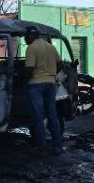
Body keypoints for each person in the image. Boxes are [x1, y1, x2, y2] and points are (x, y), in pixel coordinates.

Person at [24, 26, 64, 154]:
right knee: (52, 115)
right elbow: (60, 64)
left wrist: (23, 81)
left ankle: (41, 146)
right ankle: (58, 146)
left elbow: (29, 69)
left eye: (26, 36)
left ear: (31, 36)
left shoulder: (31, 48)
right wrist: (51, 74)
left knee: (38, 116)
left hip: (36, 84)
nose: (25, 38)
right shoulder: (50, 47)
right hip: (50, 84)